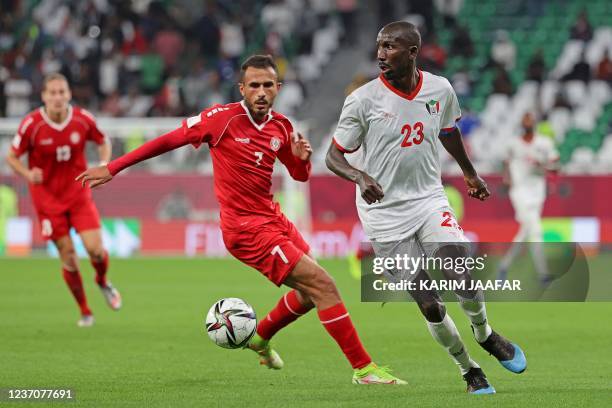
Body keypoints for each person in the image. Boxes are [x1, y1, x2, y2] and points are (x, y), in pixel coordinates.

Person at [76, 55, 405, 385]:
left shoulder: (282, 127)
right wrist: (114, 167)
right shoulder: (221, 119)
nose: (261, 92)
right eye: (254, 86)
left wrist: (303, 159)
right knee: (324, 285)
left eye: (267, 85)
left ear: (278, 88)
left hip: (273, 219)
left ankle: (260, 337)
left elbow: (299, 175)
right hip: (244, 229)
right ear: (242, 88)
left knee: (310, 294)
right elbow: (167, 140)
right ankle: (363, 369)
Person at [325, 22, 527, 394]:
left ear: (412, 52)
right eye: (379, 46)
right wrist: (358, 176)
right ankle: (469, 370)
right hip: (384, 216)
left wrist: (470, 174)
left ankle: (485, 334)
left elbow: (448, 131)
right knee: (431, 304)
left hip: (428, 200)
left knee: (461, 273)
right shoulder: (363, 99)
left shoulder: (440, 88)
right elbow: (333, 156)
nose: (381, 54)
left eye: (390, 47)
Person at [6, 73, 121, 327]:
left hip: (78, 195)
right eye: (52, 93)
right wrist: (27, 173)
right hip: (47, 201)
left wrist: (103, 164)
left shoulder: (82, 119)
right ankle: (85, 311)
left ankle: (102, 281)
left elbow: (103, 141)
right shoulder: (32, 124)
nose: (58, 97)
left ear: (69, 94)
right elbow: (12, 156)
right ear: (44, 96)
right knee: (68, 255)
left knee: (95, 251)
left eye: (62, 92)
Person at [498, 112, 559, 285]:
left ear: (534, 123)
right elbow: (506, 163)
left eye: (530, 120)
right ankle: (543, 274)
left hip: (537, 193)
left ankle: (504, 265)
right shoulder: (513, 144)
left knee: (525, 231)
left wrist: (543, 165)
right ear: (521, 123)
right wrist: (507, 179)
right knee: (536, 230)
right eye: (524, 120)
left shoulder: (544, 143)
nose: (527, 123)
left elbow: (556, 166)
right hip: (519, 192)